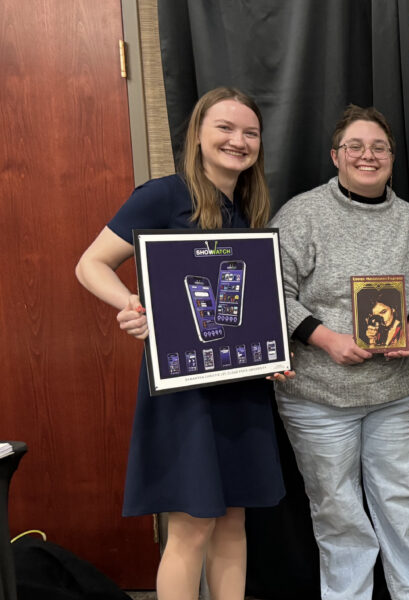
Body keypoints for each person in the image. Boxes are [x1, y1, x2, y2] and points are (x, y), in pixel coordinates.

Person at [75, 86, 286, 600]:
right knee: (192, 528)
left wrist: (273, 352)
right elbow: (90, 264)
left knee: (234, 521)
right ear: (197, 134)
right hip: (185, 392)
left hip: (240, 385)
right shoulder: (163, 195)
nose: (239, 141)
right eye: (225, 128)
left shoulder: (249, 207)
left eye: (250, 132)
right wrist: (132, 306)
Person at [269, 105, 409, 600]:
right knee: (338, 516)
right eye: (356, 147)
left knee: (404, 508)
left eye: (379, 147)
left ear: (391, 157)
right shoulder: (301, 215)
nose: (368, 156)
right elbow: (271, 292)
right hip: (318, 399)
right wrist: (326, 338)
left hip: (398, 395)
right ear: (335, 156)